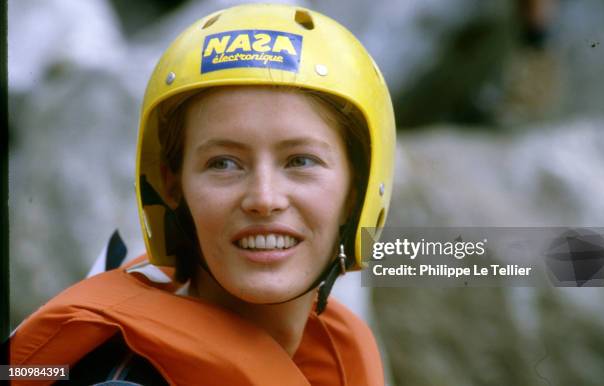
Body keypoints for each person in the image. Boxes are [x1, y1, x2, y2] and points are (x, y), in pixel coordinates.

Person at [10, 4, 395, 385]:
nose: (264, 198)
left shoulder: (331, 353)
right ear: (172, 187)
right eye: (224, 164)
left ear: (356, 189)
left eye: (300, 161)